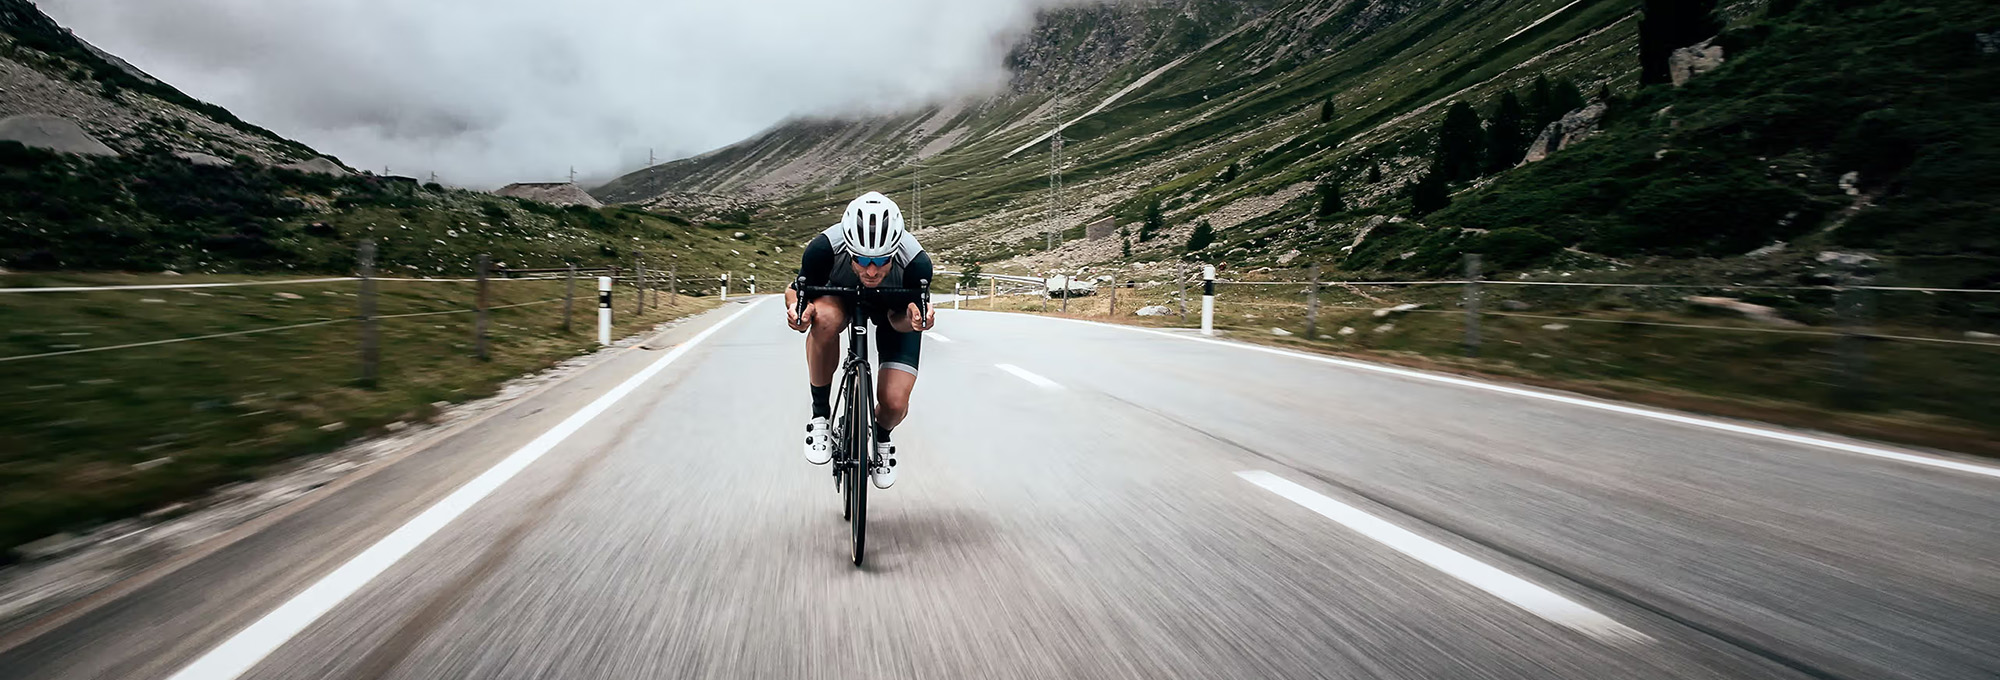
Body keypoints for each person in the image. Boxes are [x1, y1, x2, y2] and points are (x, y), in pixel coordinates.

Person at [785, 191, 934, 489]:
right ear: (849, 248)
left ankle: (881, 436)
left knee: (894, 403)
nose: (871, 270)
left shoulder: (917, 264)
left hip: (893, 311)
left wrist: (918, 320)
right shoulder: (823, 249)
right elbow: (796, 293)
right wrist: (798, 312)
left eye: (881, 261)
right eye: (862, 259)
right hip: (840, 301)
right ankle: (820, 417)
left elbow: (900, 320)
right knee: (824, 319)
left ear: (895, 252)